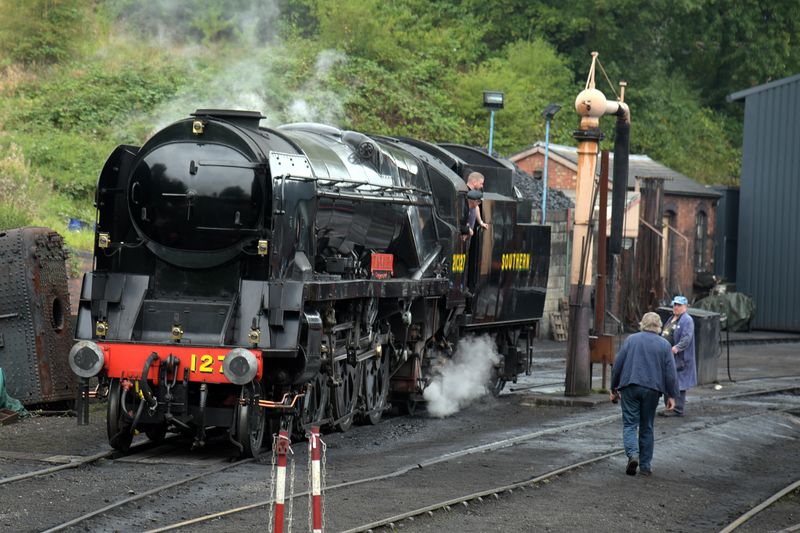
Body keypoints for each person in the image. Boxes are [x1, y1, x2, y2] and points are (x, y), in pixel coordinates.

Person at [610, 312, 679, 476]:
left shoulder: (631, 340)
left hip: (630, 386)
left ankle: (633, 455)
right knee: (647, 426)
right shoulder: (664, 345)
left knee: (630, 424)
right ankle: (646, 466)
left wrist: (613, 388)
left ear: (642, 324)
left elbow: (618, 365)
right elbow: (671, 373)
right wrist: (672, 395)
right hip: (652, 389)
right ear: (659, 327)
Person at [658, 295, 697, 417]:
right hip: (668, 356)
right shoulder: (671, 318)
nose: (676, 307)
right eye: (675, 304)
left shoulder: (687, 320)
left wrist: (677, 348)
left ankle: (678, 409)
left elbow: (687, 338)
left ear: (685, 307)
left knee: (679, 382)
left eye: (679, 305)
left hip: (680, 358)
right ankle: (668, 407)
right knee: (668, 379)